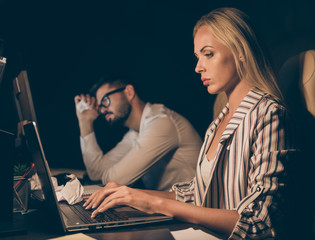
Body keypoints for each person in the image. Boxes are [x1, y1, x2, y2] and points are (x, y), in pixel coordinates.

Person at [84, 8, 298, 239]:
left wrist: (154, 202)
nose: (198, 67)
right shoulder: (219, 120)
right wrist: (131, 195)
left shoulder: (269, 114)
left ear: (240, 52)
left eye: (208, 54)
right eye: (198, 57)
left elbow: (260, 223)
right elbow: (198, 192)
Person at [74, 74, 202, 191]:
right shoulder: (135, 132)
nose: (102, 110)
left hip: (192, 209)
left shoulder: (161, 122)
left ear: (129, 92)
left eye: (105, 100)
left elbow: (115, 180)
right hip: (167, 209)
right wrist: (85, 121)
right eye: (100, 106)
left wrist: (107, 174)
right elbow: (96, 173)